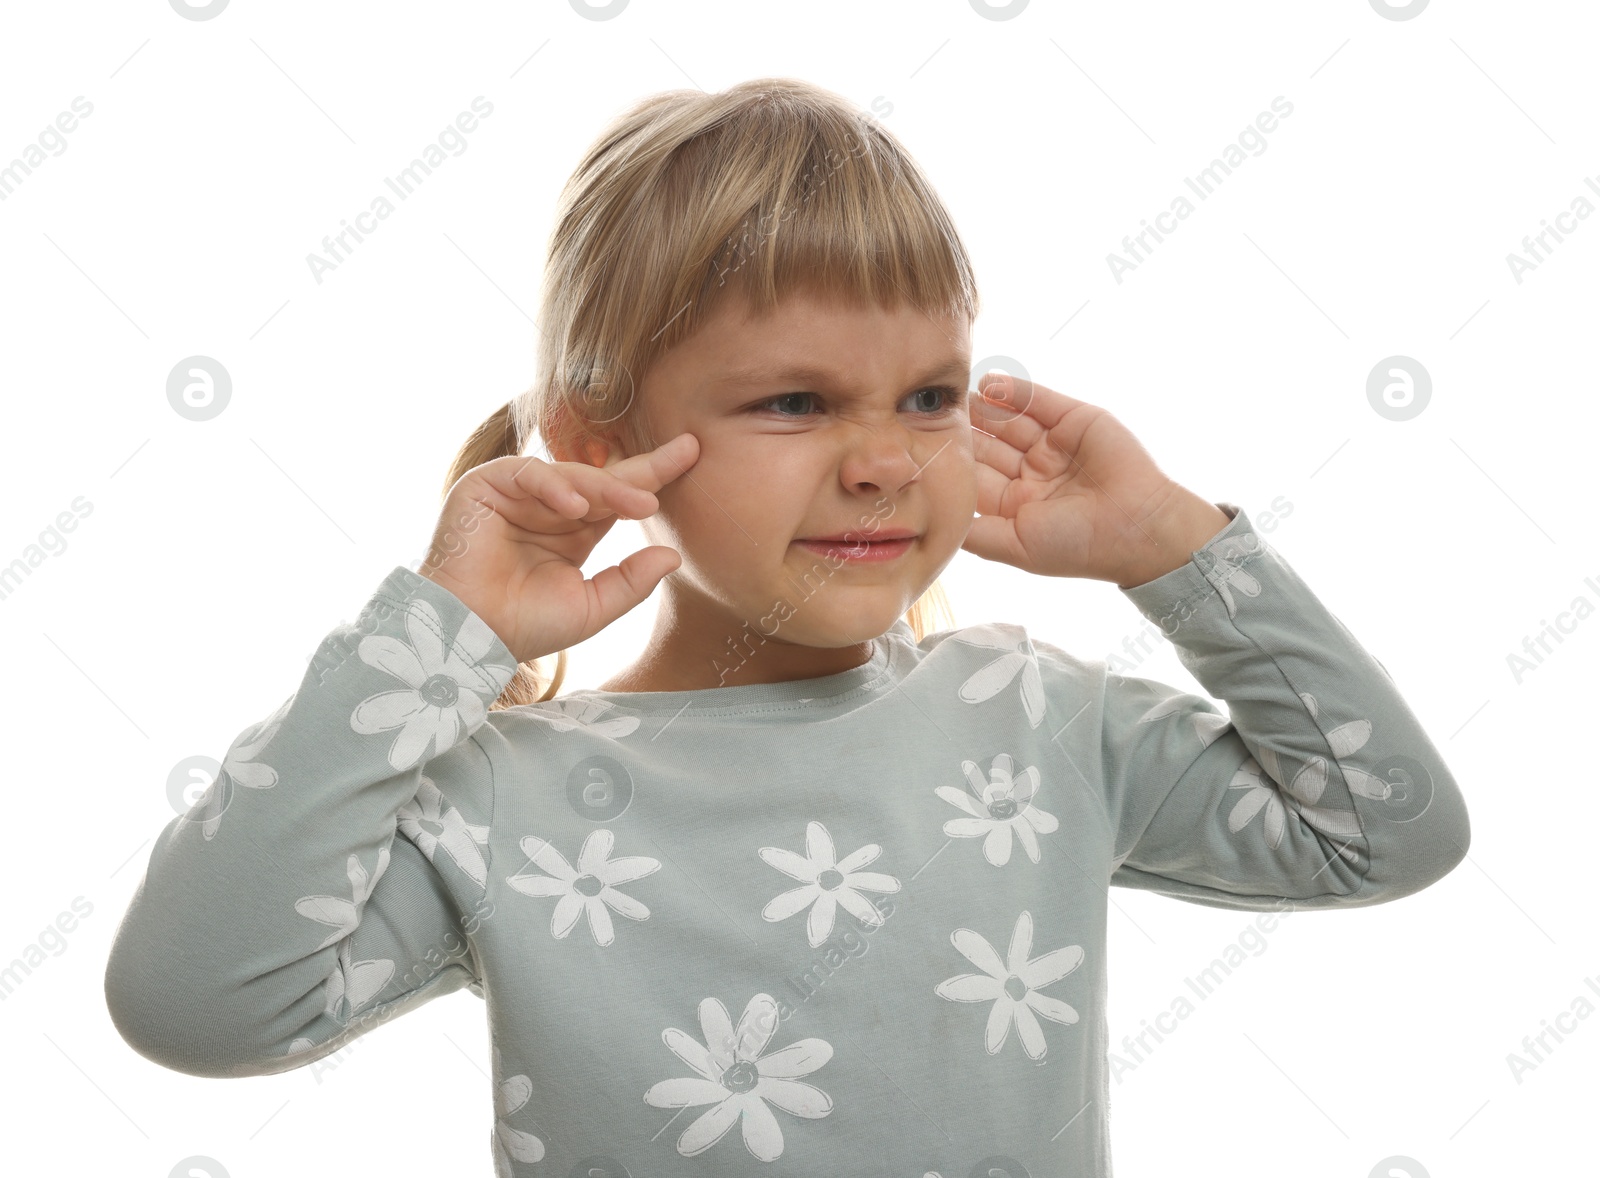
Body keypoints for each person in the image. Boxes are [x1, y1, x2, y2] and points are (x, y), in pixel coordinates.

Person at [102, 77, 1470, 1177]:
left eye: (930, 396)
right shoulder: (502, 795)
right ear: (601, 439)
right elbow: (190, 1001)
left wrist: (1176, 551)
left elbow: (1387, 827)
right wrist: (435, 633)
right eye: (796, 404)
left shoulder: (1038, 724)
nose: (883, 460)